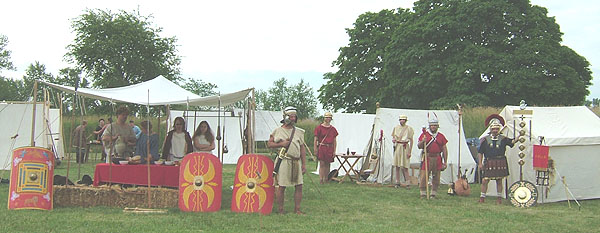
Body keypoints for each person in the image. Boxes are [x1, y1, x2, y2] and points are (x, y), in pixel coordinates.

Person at [268, 106, 307, 214]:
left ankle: (297, 209)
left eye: (294, 116)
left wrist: (304, 164)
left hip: (296, 161)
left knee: (299, 185)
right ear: (286, 117)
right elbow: (270, 143)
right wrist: (281, 144)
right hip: (283, 161)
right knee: (282, 186)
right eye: (291, 116)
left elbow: (302, 149)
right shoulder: (278, 131)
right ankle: (281, 210)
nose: (293, 119)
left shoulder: (299, 132)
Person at [478, 117, 516, 204]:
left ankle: (499, 198)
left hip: (500, 161)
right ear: (490, 129)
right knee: (485, 180)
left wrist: (519, 136)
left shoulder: (503, 139)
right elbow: (480, 152)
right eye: (493, 129)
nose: (495, 130)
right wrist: (480, 163)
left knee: (499, 180)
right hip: (489, 161)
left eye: (497, 129)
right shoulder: (485, 139)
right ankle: (482, 197)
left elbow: (512, 142)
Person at [417, 114, 448, 199]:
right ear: (429, 126)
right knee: (424, 176)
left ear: (437, 126)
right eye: (432, 125)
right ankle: (423, 193)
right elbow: (419, 146)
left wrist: (445, 162)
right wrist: (423, 141)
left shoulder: (441, 136)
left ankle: (433, 193)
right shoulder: (425, 135)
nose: (433, 127)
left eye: (435, 125)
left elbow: (444, 149)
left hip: (437, 158)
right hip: (427, 157)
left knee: (436, 176)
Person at [313, 112, 338, 184]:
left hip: (329, 148)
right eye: (327, 117)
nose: (328, 119)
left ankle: (326, 178)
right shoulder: (319, 128)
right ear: (324, 118)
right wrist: (315, 148)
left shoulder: (333, 129)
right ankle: (321, 179)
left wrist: (334, 150)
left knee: (328, 164)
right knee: (322, 163)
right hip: (322, 147)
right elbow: (315, 139)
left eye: (329, 117)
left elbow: (334, 141)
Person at [391, 114, 414, 188]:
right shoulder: (396, 128)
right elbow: (394, 138)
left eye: (403, 119)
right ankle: (397, 182)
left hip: (405, 147)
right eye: (401, 119)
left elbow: (411, 140)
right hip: (398, 147)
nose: (402, 121)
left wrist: (409, 151)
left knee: (405, 166)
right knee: (397, 165)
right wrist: (394, 140)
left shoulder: (409, 128)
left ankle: (407, 182)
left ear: (405, 120)